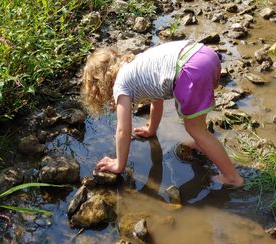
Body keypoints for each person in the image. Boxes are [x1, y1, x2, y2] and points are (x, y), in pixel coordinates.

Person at [81, 39, 244, 187]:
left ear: (100, 84)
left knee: (194, 129)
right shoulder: (136, 65)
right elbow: (156, 100)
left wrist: (119, 164)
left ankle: (232, 178)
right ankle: (203, 145)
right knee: (196, 122)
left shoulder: (120, 86)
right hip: (204, 54)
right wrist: (151, 129)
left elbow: (123, 130)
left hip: (190, 69)